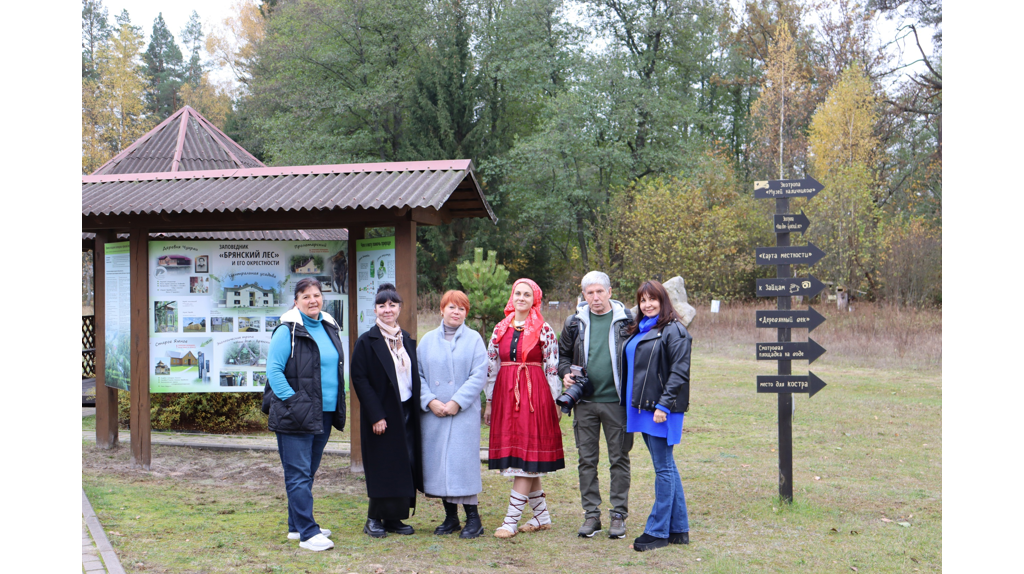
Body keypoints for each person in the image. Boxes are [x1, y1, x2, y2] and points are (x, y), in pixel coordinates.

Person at [262, 278, 346, 552]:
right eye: (306, 296)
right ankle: (309, 534)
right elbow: (274, 372)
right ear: (296, 301)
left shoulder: (329, 326)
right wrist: (296, 402)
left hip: (323, 412)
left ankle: (295, 526)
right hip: (295, 414)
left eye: (317, 295)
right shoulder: (286, 331)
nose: (313, 300)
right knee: (297, 473)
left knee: (307, 472)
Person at [483, 278, 564, 538]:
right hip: (506, 394)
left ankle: (510, 520)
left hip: (534, 395)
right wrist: (488, 401)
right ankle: (542, 517)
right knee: (526, 458)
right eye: (517, 293)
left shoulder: (544, 329)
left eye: (527, 294)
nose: (521, 298)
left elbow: (552, 366)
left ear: (534, 300)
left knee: (528, 457)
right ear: (512, 296)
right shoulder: (499, 328)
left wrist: (554, 400)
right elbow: (491, 367)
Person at [557, 271, 635, 539]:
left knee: (619, 459)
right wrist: (565, 372)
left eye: (599, 291)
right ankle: (592, 515)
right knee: (586, 460)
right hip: (585, 403)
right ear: (584, 295)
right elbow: (563, 356)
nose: (595, 297)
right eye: (589, 293)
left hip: (618, 402)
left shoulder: (628, 321)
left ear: (610, 292)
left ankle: (618, 515)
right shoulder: (573, 323)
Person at [621, 280, 692, 552]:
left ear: (664, 301)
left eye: (653, 299)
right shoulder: (640, 329)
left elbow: (679, 372)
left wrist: (663, 406)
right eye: (642, 300)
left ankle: (658, 531)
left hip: (660, 410)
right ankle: (679, 529)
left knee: (663, 469)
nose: (647, 304)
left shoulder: (674, 330)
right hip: (642, 407)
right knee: (667, 466)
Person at [350, 282, 423, 538]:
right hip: (382, 413)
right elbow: (359, 379)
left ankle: (394, 518)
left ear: (400, 308)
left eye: (392, 304)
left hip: (407, 410)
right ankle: (373, 519)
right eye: (382, 305)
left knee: (403, 464)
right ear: (375, 310)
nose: (387, 309)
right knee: (383, 465)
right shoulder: (367, 342)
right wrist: (376, 415)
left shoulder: (407, 341)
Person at [417, 290, 489, 539]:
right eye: (452, 307)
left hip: (462, 414)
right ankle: (450, 518)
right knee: (439, 466)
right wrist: (430, 400)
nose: (456, 312)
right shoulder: (426, 341)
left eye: (461, 308)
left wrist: (457, 401)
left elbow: (479, 375)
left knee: (461, 465)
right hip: (434, 415)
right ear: (441, 310)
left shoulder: (474, 340)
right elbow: (418, 376)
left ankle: (474, 519)